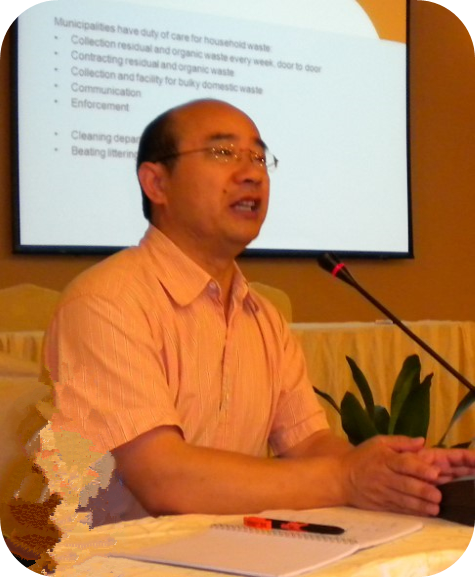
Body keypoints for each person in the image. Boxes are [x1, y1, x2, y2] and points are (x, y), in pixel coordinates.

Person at [44, 98, 475, 525]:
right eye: (222, 152)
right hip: (117, 555)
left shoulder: (263, 317)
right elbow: (163, 479)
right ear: (156, 183)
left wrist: (400, 475)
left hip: (232, 548)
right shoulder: (105, 302)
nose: (252, 173)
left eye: (259, 157)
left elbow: (309, 445)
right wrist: (346, 478)